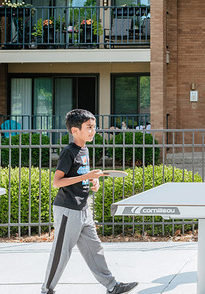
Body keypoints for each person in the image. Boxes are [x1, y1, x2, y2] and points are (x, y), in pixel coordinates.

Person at [41, 109, 138, 294]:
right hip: (68, 211)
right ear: (75, 130)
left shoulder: (84, 149)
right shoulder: (68, 152)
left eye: (94, 127)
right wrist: (86, 175)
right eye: (89, 127)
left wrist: (92, 180)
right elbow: (57, 182)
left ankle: (112, 286)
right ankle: (46, 290)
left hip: (84, 210)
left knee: (95, 250)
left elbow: (78, 176)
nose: (93, 131)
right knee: (61, 254)